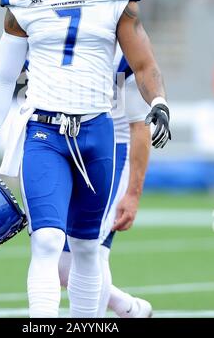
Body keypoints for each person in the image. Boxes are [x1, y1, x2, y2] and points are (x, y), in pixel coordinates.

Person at [0, 0, 171, 318]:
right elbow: (3, 77)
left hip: (97, 132)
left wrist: (159, 103)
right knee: (46, 242)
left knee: (85, 248)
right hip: (45, 134)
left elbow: (144, 64)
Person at [58, 47, 152, 317]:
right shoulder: (51, 42)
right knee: (63, 266)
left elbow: (139, 126)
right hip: (67, 153)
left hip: (112, 153)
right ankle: (129, 308)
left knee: (92, 252)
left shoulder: (120, 55)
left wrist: (133, 193)